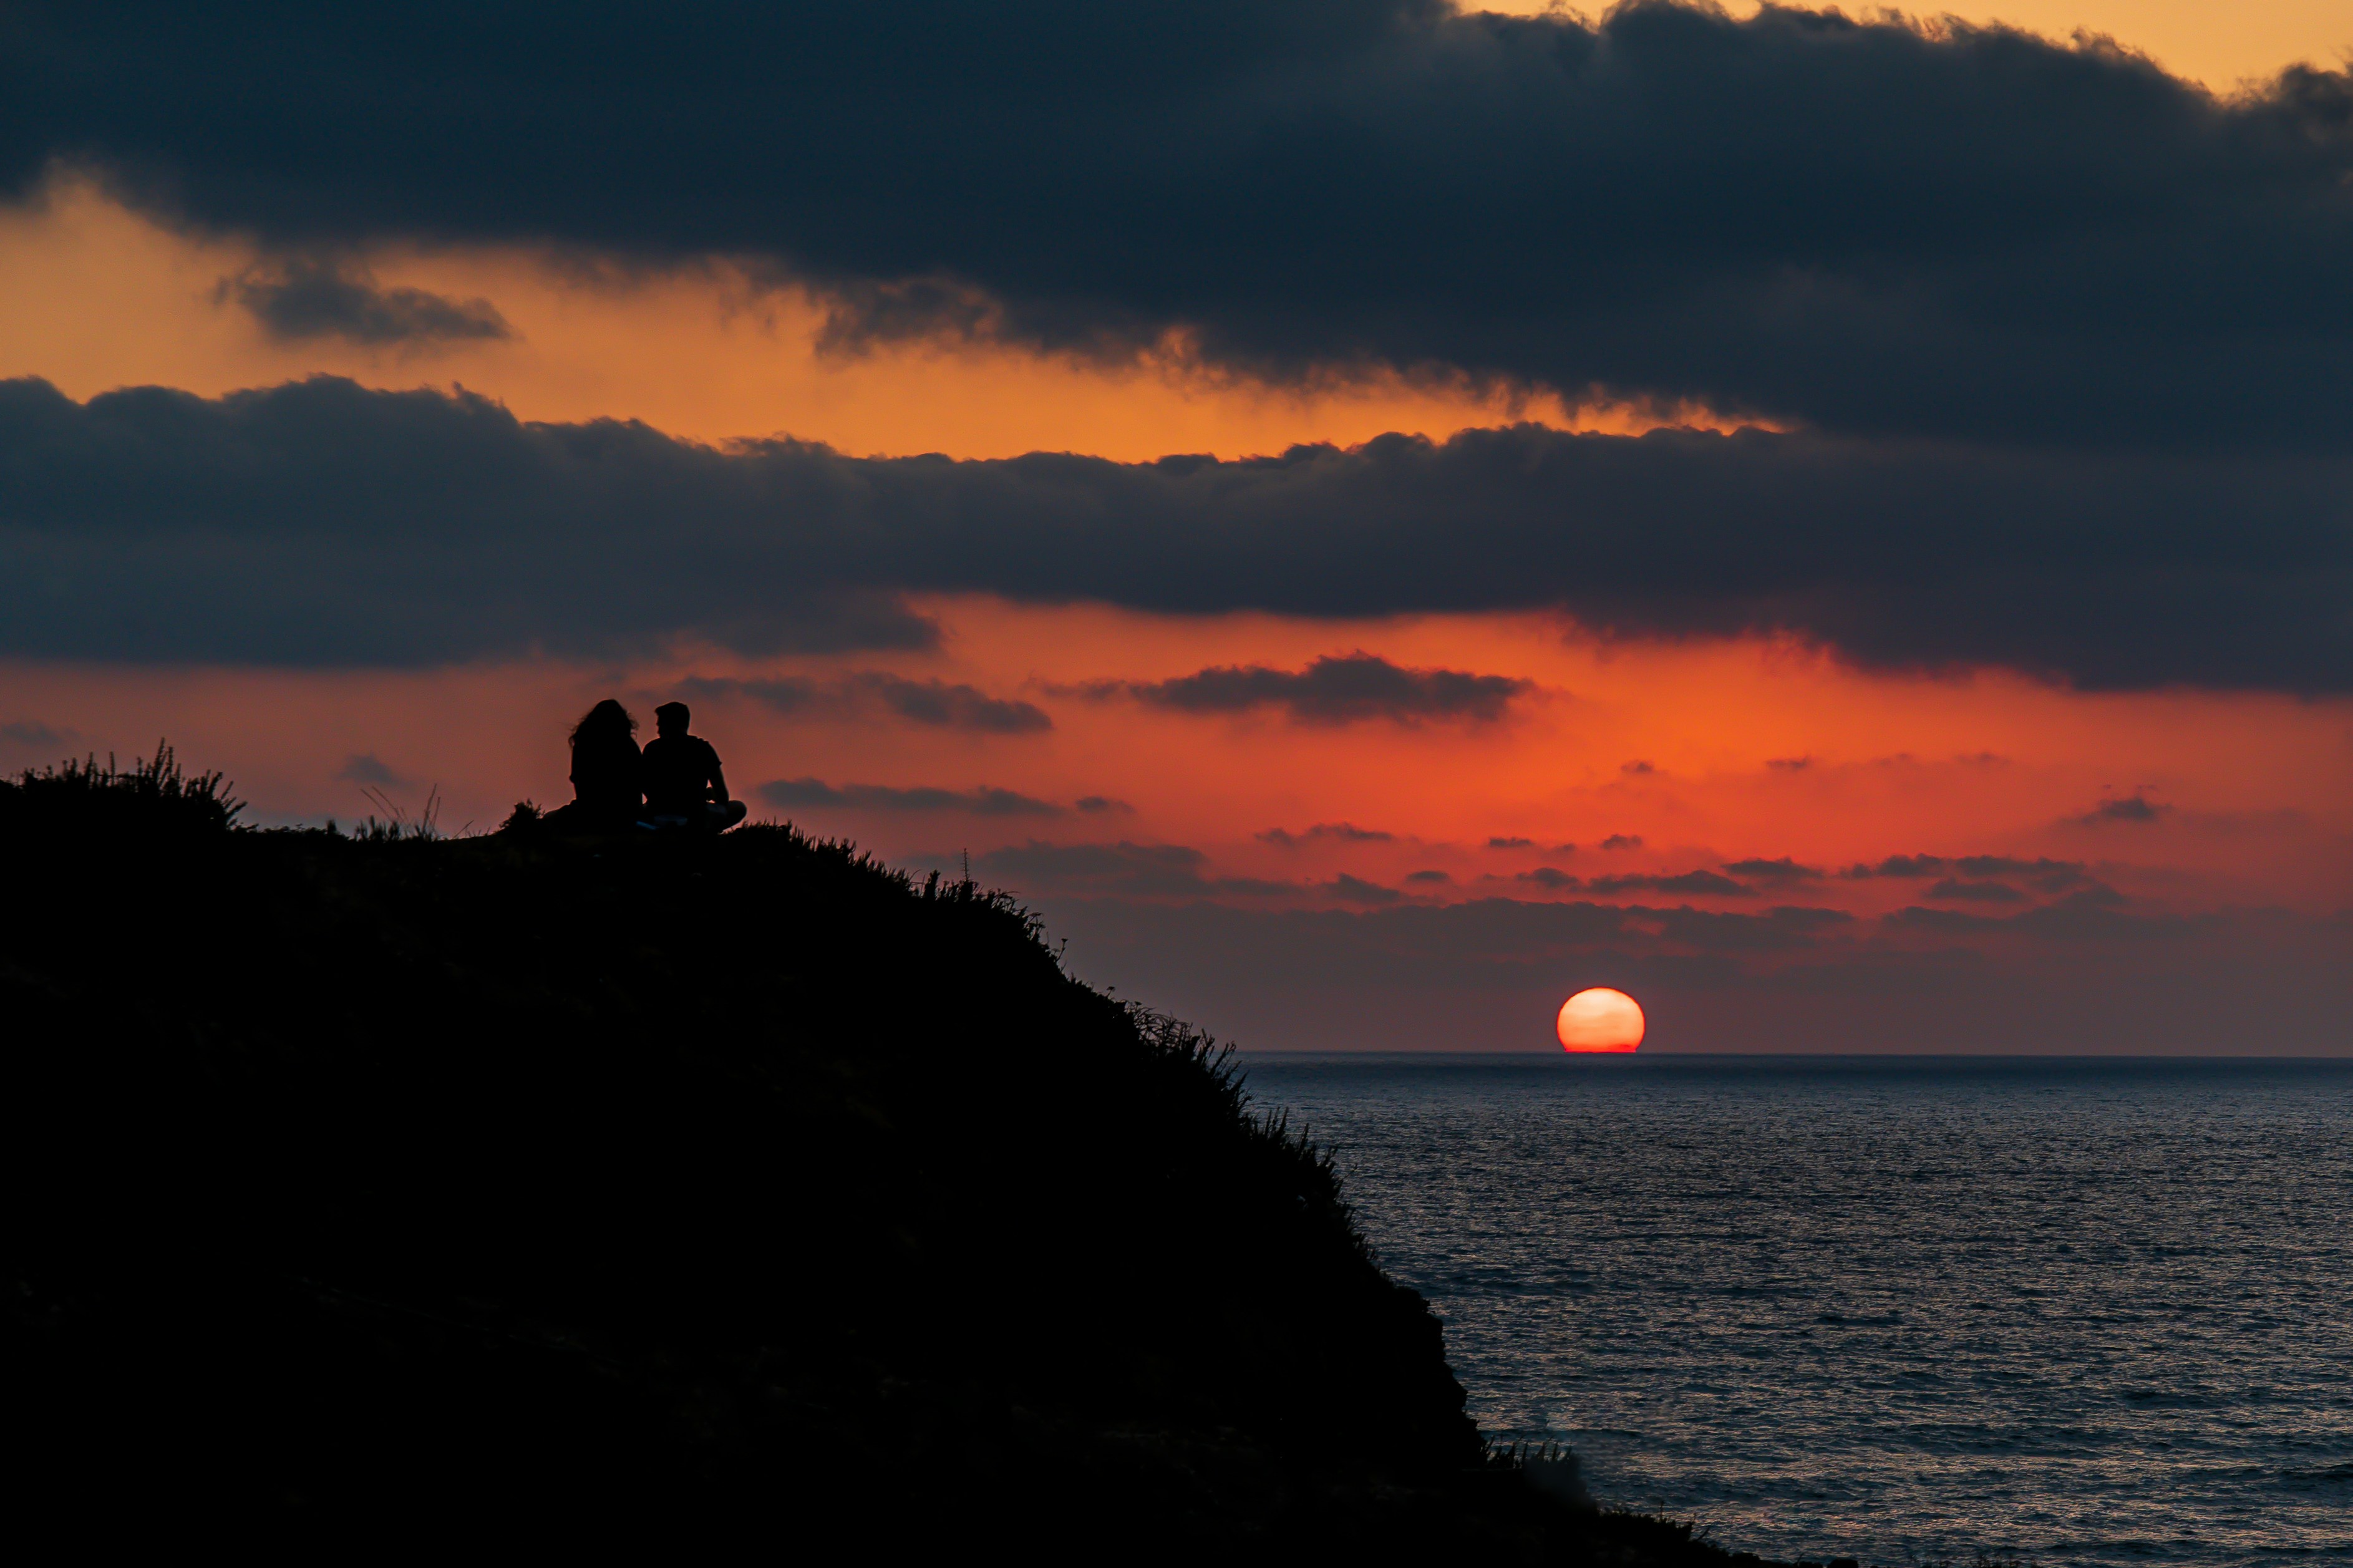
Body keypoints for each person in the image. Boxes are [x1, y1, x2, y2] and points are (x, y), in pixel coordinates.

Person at [639, 701, 747, 834]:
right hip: (696, 814)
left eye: (661, 725)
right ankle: (704, 829)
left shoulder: (652, 749)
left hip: (656, 812)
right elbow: (723, 796)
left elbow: (643, 784)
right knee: (738, 808)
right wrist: (709, 793)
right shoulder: (703, 748)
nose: (658, 730)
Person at [544, 699, 643, 834]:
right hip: (628, 814)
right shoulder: (630, 746)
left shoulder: (585, 744)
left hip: (592, 812)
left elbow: (578, 779)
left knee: (549, 819)